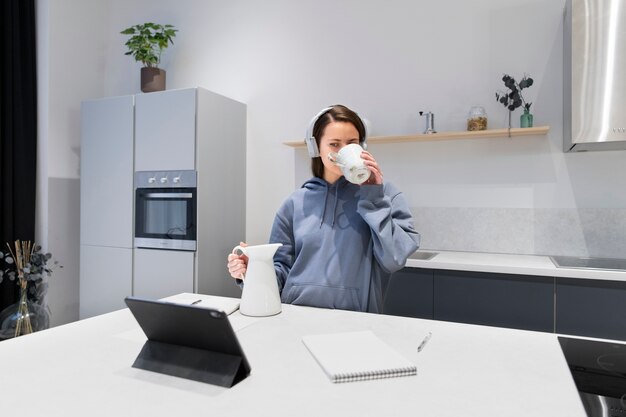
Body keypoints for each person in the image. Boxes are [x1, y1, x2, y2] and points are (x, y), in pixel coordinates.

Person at [227, 104, 420, 313]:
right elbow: (280, 272)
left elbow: (395, 259)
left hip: (357, 323)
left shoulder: (384, 195)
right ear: (316, 148)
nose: (343, 151)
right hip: (295, 317)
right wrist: (253, 269)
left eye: (352, 143)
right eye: (334, 144)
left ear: (362, 146)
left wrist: (373, 195)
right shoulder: (294, 204)